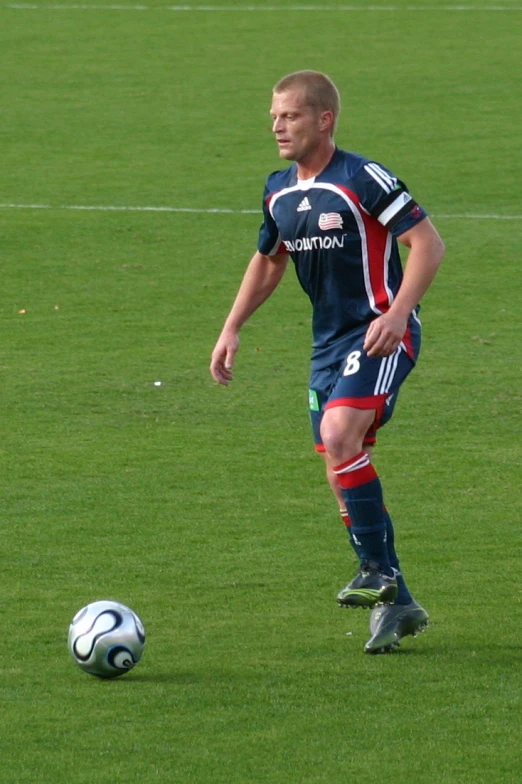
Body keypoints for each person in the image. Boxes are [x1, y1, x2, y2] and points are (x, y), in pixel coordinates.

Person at [210, 71, 445, 654]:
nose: (276, 126)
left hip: (381, 335)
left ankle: (379, 574)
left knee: (342, 435)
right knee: (342, 469)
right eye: (273, 116)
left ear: (324, 119)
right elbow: (269, 260)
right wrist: (232, 326)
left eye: (289, 116)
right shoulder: (278, 189)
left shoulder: (362, 178)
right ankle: (400, 602)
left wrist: (398, 313)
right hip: (327, 348)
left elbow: (428, 244)